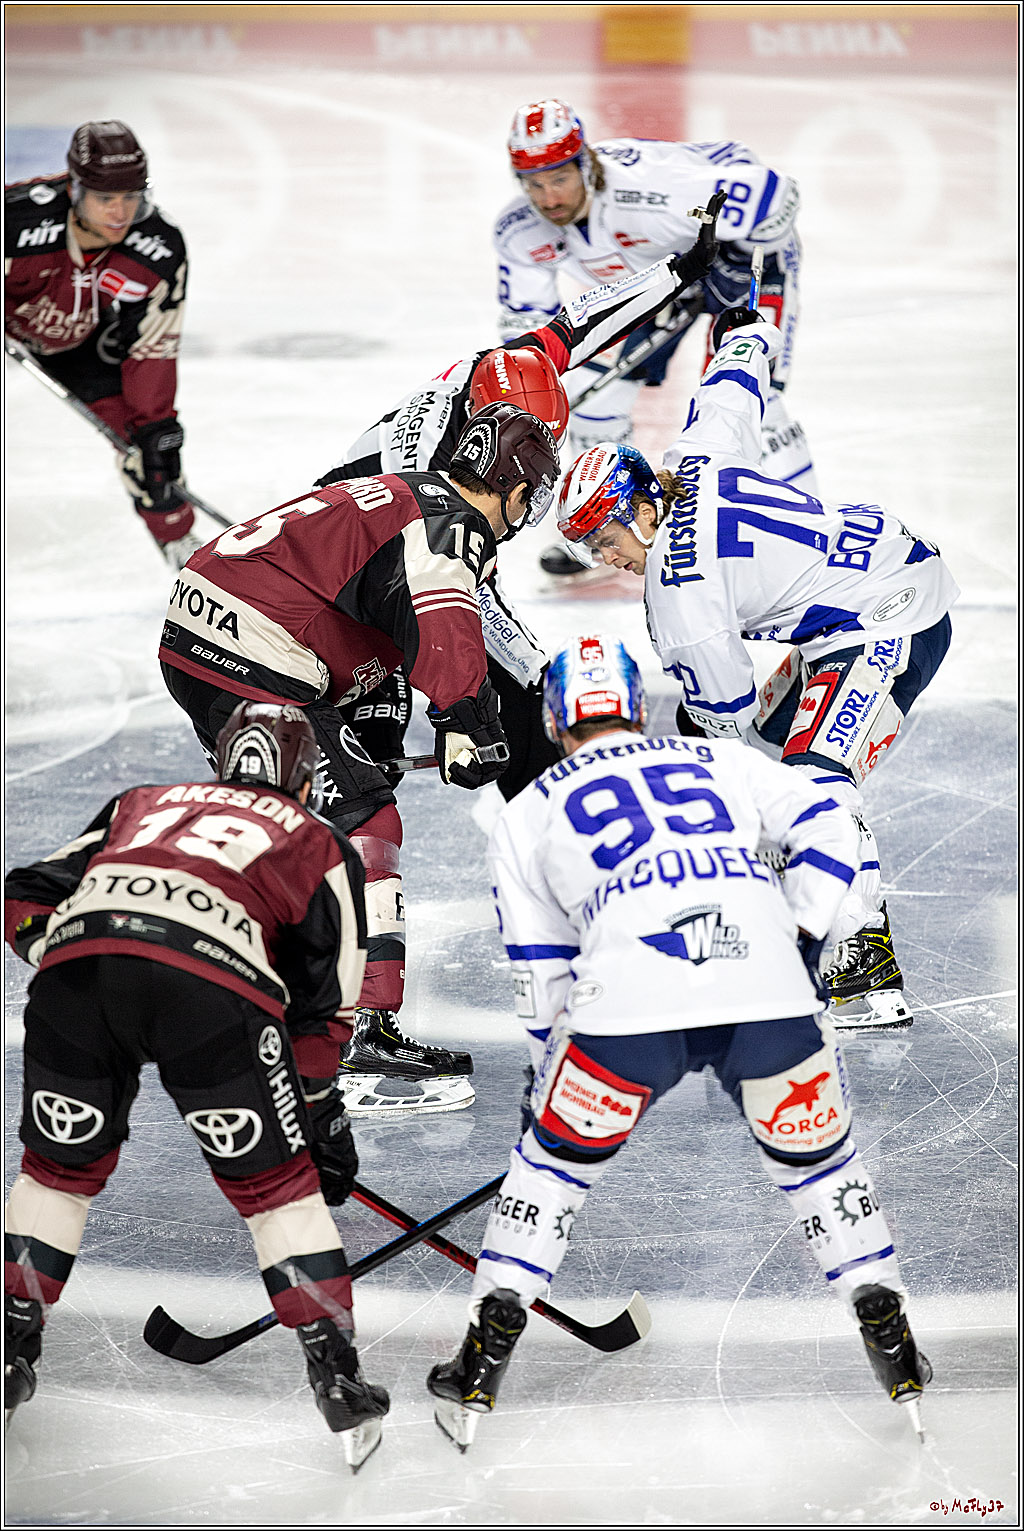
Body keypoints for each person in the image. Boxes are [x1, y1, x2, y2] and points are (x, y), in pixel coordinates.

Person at [426, 634, 931, 1451]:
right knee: (824, 1169)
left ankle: (485, 1352)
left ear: (555, 719)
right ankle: (886, 1319)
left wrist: (542, 1078)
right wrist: (803, 937)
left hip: (623, 1012)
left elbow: (541, 967)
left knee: (549, 1172)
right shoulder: (720, 762)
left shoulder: (526, 812)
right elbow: (832, 827)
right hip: (767, 992)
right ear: (634, 703)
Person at [3, 703, 389, 1469]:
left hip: (77, 980)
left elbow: (20, 892)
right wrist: (318, 1119)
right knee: (278, 1192)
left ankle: (9, 1347)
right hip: (209, 994)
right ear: (305, 778)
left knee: (55, 1176)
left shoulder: (141, 802)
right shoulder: (320, 841)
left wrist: (73, 951)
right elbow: (328, 1009)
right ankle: (338, 1380)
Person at [554, 312, 960, 1029]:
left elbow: (731, 735)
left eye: (608, 539)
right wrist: (745, 332)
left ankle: (863, 968)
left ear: (642, 507)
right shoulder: (693, 458)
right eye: (589, 550)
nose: (605, 560)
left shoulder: (680, 598)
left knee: (809, 783)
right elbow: (731, 387)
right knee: (782, 767)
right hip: (863, 594)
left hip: (891, 615)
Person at [158, 402, 561, 1115]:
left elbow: (375, 626)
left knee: (291, 819)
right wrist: (466, 718)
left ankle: (252, 997)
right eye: (529, 500)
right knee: (366, 817)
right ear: (513, 486)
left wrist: (400, 721)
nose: (524, 518)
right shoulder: (450, 526)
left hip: (213, 630)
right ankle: (359, 1029)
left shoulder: (410, 492)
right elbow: (443, 630)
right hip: (256, 648)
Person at [319, 214, 724, 801]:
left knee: (506, 689)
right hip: (371, 560)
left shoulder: (503, 374)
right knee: (505, 691)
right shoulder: (426, 464)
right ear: (488, 427)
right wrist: (503, 681)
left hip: (389, 539)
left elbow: (580, 324)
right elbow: (445, 579)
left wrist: (678, 270)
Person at [494, 98, 811, 577]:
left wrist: (734, 255)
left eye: (559, 178)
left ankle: (805, 535)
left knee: (754, 403)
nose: (549, 198)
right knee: (594, 405)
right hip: (659, 282)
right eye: (534, 184)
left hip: (731, 264)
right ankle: (609, 526)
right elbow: (529, 336)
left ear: (587, 163)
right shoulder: (518, 230)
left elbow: (776, 192)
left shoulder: (649, 192)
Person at [5, 120, 198, 570]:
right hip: (15, 320)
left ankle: (177, 539)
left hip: (85, 340)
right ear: (73, 189)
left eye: (130, 198)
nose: (119, 213)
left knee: (151, 445)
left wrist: (156, 427)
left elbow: (153, 347)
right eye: (105, 199)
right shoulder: (16, 220)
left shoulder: (158, 247)